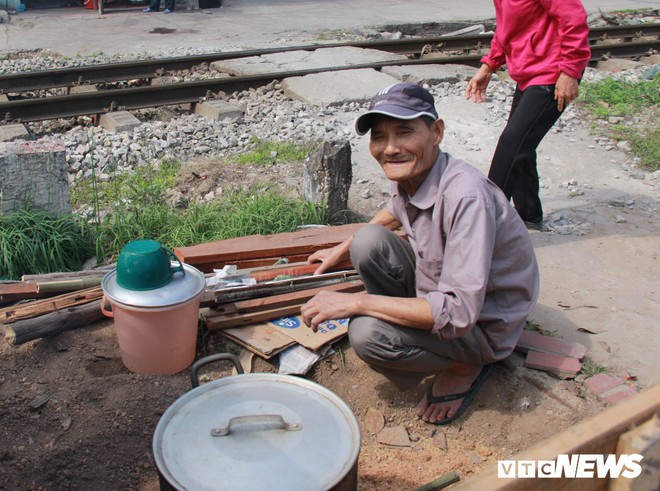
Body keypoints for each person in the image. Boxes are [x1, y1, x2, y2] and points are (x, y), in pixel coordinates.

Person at [300, 83, 539, 425]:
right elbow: (395, 208)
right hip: (440, 288)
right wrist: (342, 248)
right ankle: (414, 332)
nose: (391, 148)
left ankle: (463, 364)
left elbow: (458, 312)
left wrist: (357, 302)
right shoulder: (415, 172)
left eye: (405, 132)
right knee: (368, 240)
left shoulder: (466, 198)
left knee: (367, 334)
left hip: (484, 323)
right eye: (379, 137)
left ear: (436, 132)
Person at [465, 0, 591, 228]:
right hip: (530, 71)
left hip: (553, 72)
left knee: (512, 143)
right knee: (521, 143)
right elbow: (506, 29)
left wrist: (570, 70)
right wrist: (489, 65)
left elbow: (574, 19)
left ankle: (483, 223)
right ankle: (529, 214)